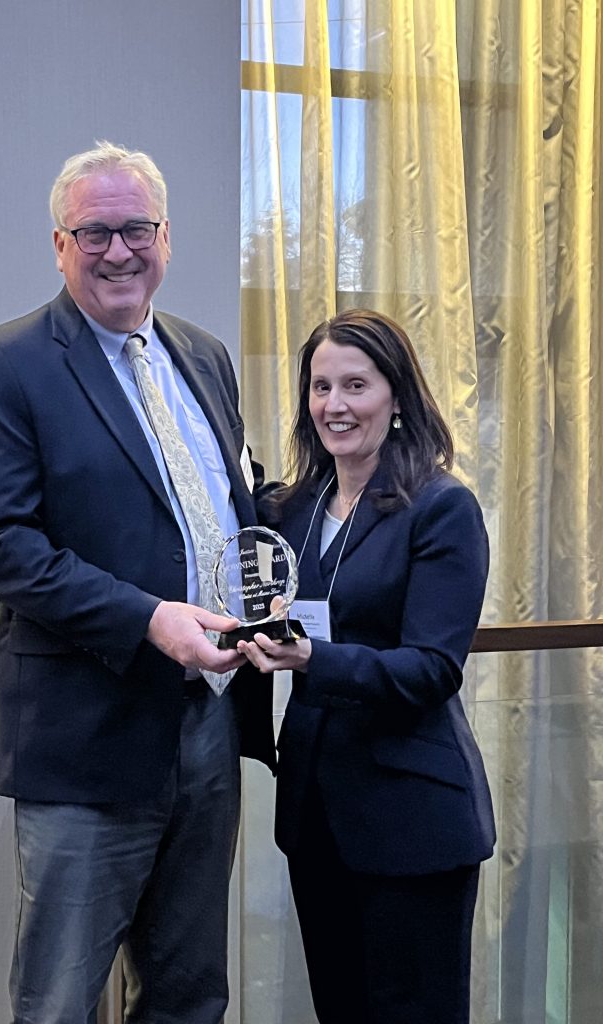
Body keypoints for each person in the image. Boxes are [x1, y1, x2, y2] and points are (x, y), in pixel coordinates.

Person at [0, 141, 275, 1024]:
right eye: (95, 232)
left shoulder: (202, 356)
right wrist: (147, 620)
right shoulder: (7, 363)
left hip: (208, 724)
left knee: (189, 993)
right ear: (60, 245)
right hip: (85, 742)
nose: (118, 251)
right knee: (59, 1001)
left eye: (136, 229)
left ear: (167, 239)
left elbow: (228, 504)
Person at [238, 309, 495, 1024]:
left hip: (414, 822)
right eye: (321, 387)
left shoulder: (442, 508)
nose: (335, 405)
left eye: (356, 385)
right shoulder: (294, 509)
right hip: (317, 817)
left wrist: (314, 658)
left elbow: (432, 670)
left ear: (398, 397)